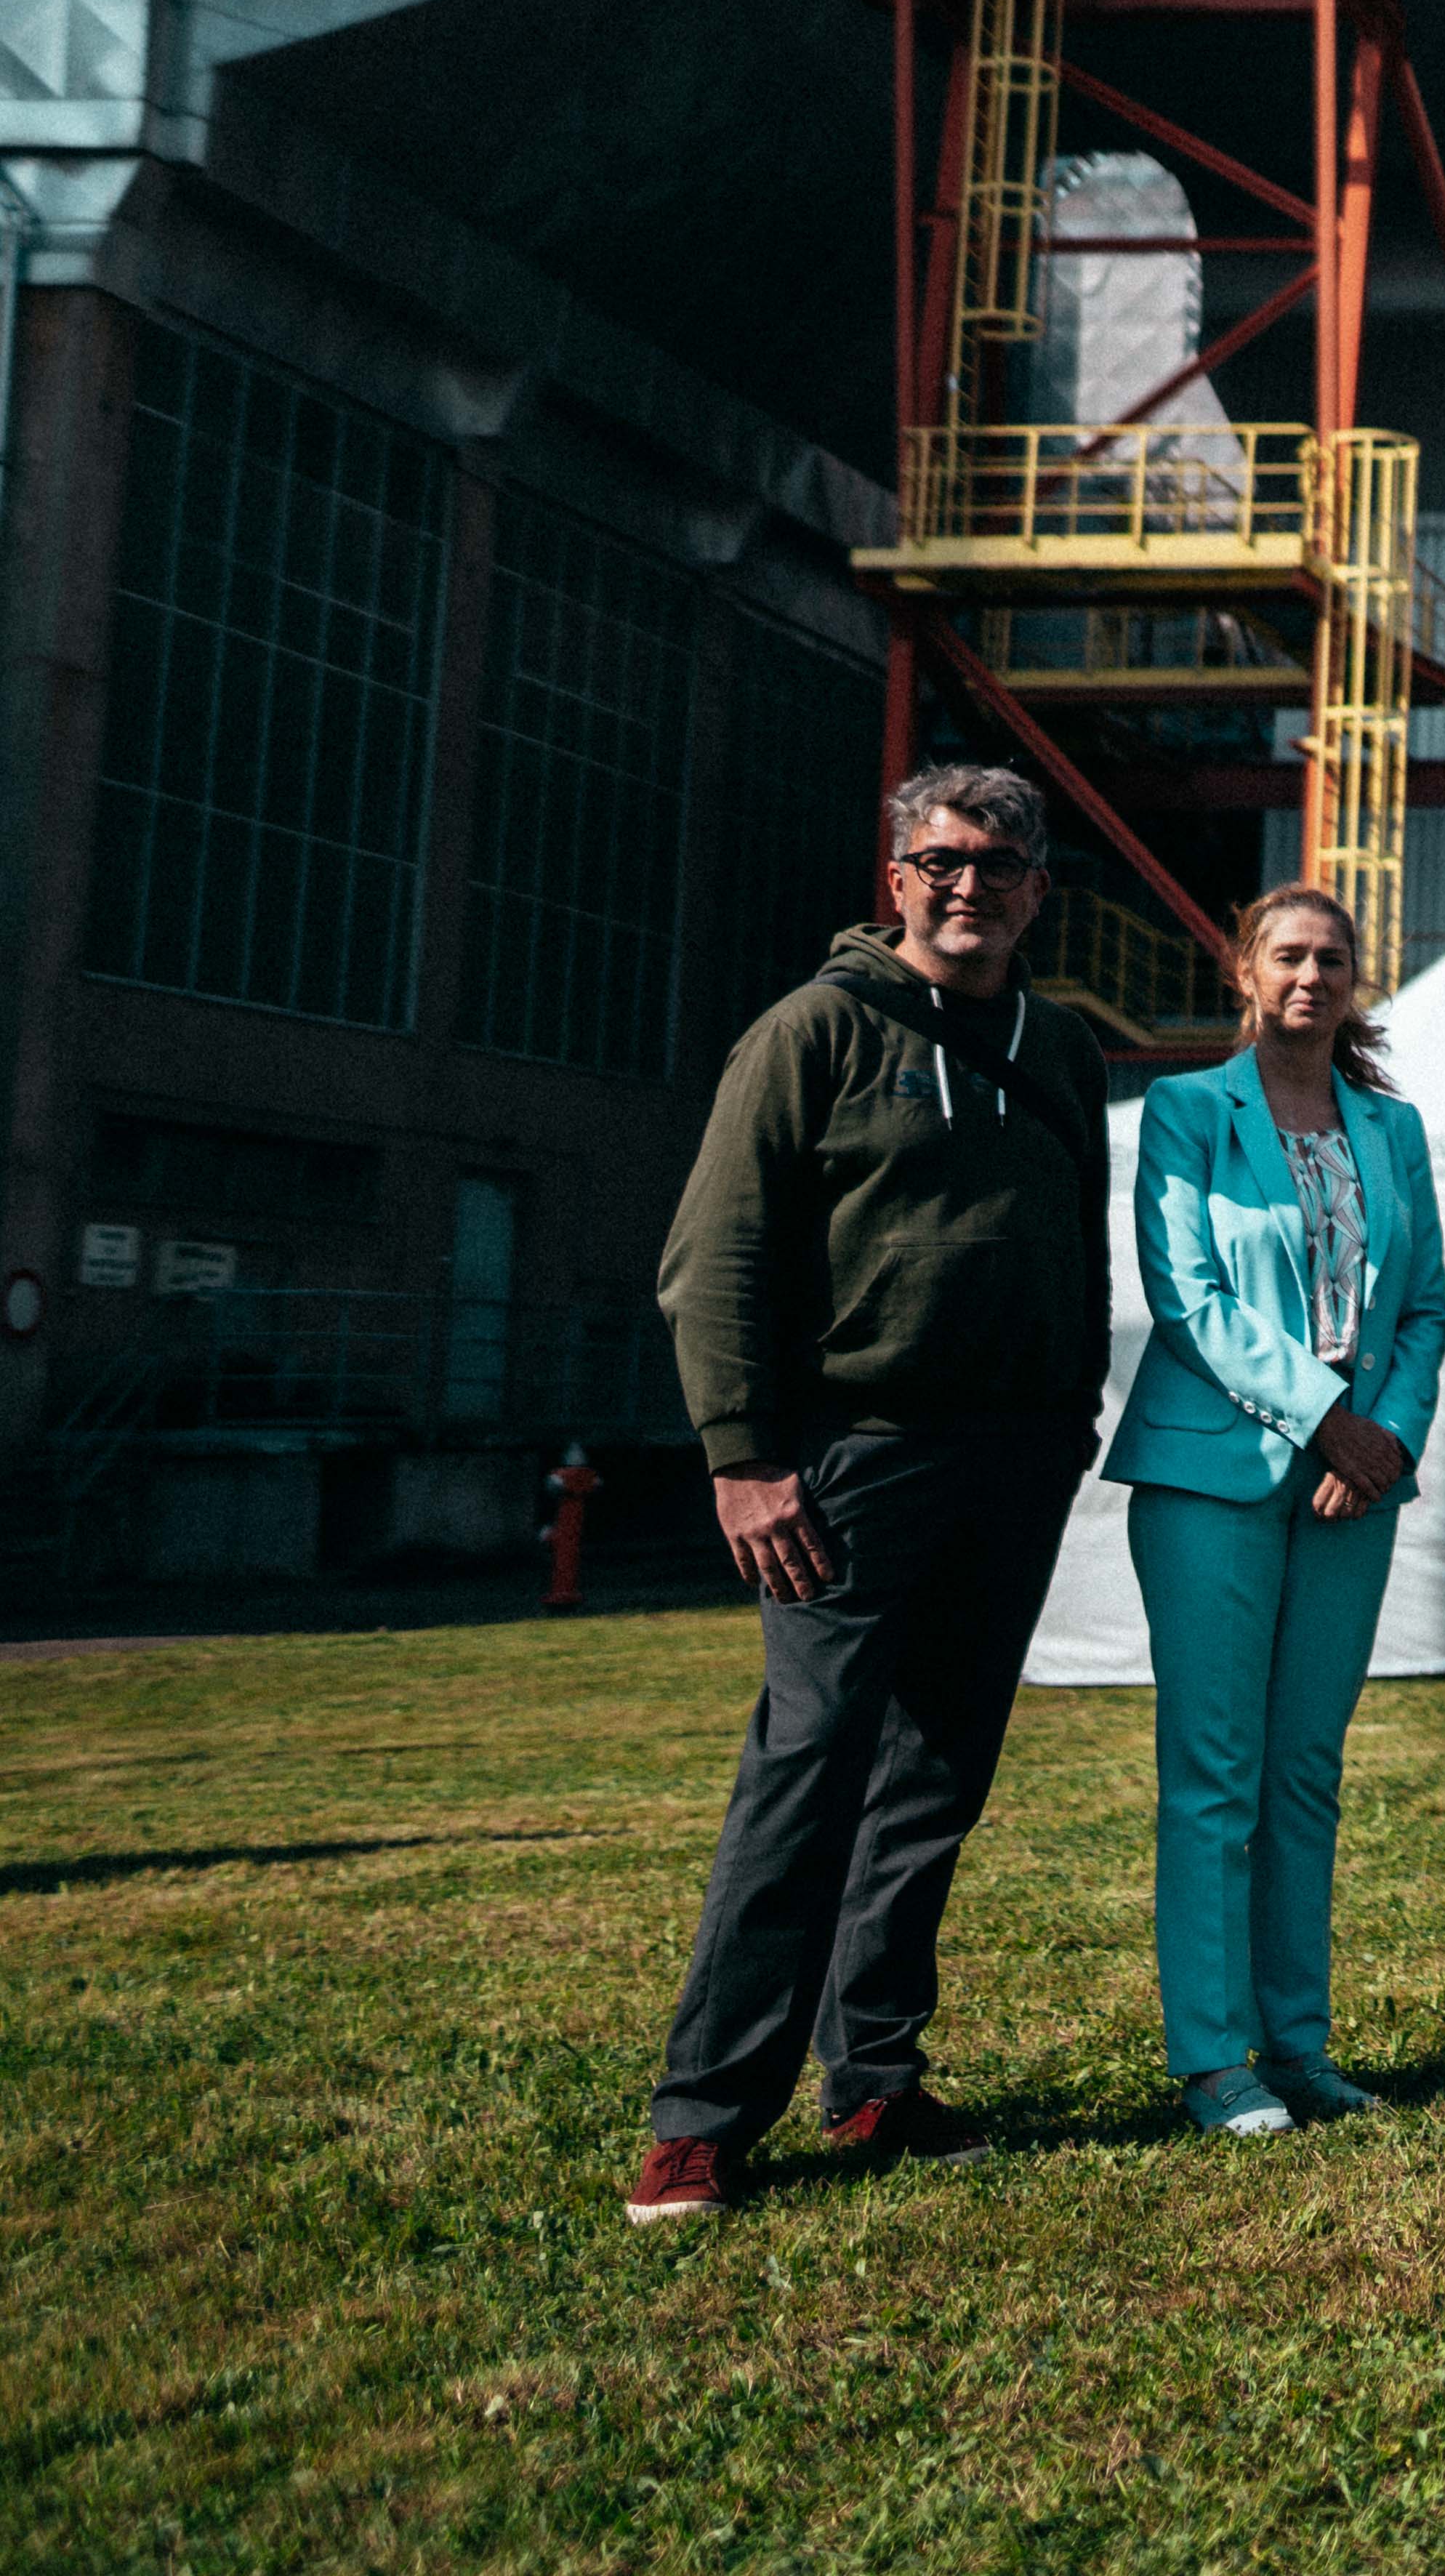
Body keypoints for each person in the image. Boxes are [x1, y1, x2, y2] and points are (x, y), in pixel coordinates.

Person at [626, 766, 1110, 2222]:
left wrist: (1068, 1413)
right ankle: (703, 2115)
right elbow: (714, 1257)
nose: (973, 884)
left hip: (1014, 1458)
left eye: (1003, 862)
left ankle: (876, 2077)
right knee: (810, 1771)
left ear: (1039, 887)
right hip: (849, 1457)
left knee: (933, 1781)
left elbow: (1075, 1240)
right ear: (897, 875)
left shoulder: (1062, 1046)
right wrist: (745, 1454)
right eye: (944, 860)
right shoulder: (813, 1031)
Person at [1106, 885, 1445, 2139]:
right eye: (1290, 957)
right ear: (1246, 972)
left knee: (1306, 1773)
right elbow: (1187, 1294)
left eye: (1336, 959)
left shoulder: (1394, 1129)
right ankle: (1212, 2061)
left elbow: (1425, 1310)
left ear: (1360, 978)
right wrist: (1326, 1419)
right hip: (1211, 1480)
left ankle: (1297, 2045)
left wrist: (1384, 1441)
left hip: (1356, 1487)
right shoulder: (1189, 1112)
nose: (1313, 976)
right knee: (1215, 1778)